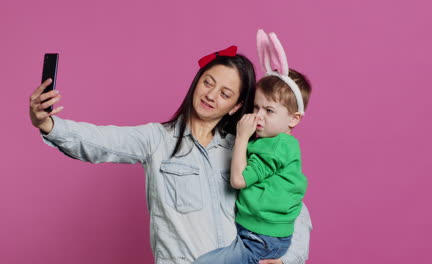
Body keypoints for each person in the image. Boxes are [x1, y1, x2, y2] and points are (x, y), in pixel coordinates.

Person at [29, 45, 312, 264]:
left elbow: (291, 207)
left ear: (237, 106)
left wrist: (287, 259)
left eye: (225, 94)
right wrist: (48, 124)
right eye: (208, 82)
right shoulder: (157, 140)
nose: (211, 95)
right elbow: (102, 141)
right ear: (197, 81)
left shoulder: (243, 148)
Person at [193, 30, 312, 264]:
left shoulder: (277, 147)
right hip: (257, 232)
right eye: (256, 107)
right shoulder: (273, 142)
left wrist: (241, 138)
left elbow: (238, 180)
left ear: (294, 119)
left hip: (260, 238)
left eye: (269, 111)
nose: (258, 116)